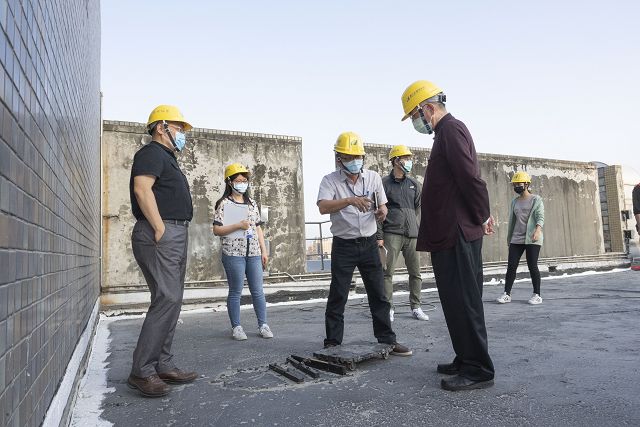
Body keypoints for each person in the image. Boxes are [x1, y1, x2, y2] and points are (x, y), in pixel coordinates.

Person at [400, 80, 495, 391]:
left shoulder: (451, 130)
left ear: (427, 108)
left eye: (415, 115)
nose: (416, 122)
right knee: (453, 300)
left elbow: (470, 178)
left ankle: (478, 368)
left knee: (465, 301)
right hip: (447, 235)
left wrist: (483, 215)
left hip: (458, 233)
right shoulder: (442, 135)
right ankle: (465, 357)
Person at [317, 131, 412, 356]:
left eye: (358, 156)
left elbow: (384, 205)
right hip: (344, 245)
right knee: (338, 294)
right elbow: (322, 207)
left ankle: (388, 339)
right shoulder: (330, 181)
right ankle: (332, 343)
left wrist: (382, 211)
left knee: (378, 294)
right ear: (339, 158)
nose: (354, 161)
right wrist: (350, 200)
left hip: (370, 243)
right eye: (349, 157)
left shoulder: (373, 178)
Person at [127, 105, 198, 397]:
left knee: (172, 299)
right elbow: (142, 189)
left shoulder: (168, 158)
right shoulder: (151, 153)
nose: (182, 134)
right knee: (166, 297)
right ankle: (141, 371)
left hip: (175, 232)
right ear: (161, 127)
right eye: (178, 128)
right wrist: (159, 228)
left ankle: (162, 363)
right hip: (161, 232)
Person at [213, 163, 273, 341]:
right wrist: (238, 225)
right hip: (233, 254)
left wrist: (263, 250)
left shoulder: (253, 203)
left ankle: (263, 324)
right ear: (230, 182)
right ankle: (236, 326)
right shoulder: (223, 204)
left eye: (245, 180)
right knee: (235, 291)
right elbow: (217, 230)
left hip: (253, 252)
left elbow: (258, 228)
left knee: (258, 291)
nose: (242, 183)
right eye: (238, 180)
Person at [376, 145, 428, 322]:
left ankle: (416, 307)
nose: (408, 161)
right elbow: (378, 212)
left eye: (409, 157)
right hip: (391, 234)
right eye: (405, 158)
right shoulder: (383, 183)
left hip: (412, 235)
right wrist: (380, 236)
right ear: (395, 161)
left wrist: (412, 224)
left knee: (416, 273)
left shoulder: (414, 184)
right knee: (387, 273)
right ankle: (389, 308)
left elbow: (417, 209)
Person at [497, 171, 545, 305]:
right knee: (511, 266)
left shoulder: (536, 199)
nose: (517, 186)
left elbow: (540, 217)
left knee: (532, 266)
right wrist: (509, 238)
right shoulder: (514, 201)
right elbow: (513, 221)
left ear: (527, 184)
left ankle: (537, 295)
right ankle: (507, 294)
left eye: (519, 183)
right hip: (516, 238)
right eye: (515, 184)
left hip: (532, 238)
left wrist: (537, 230)